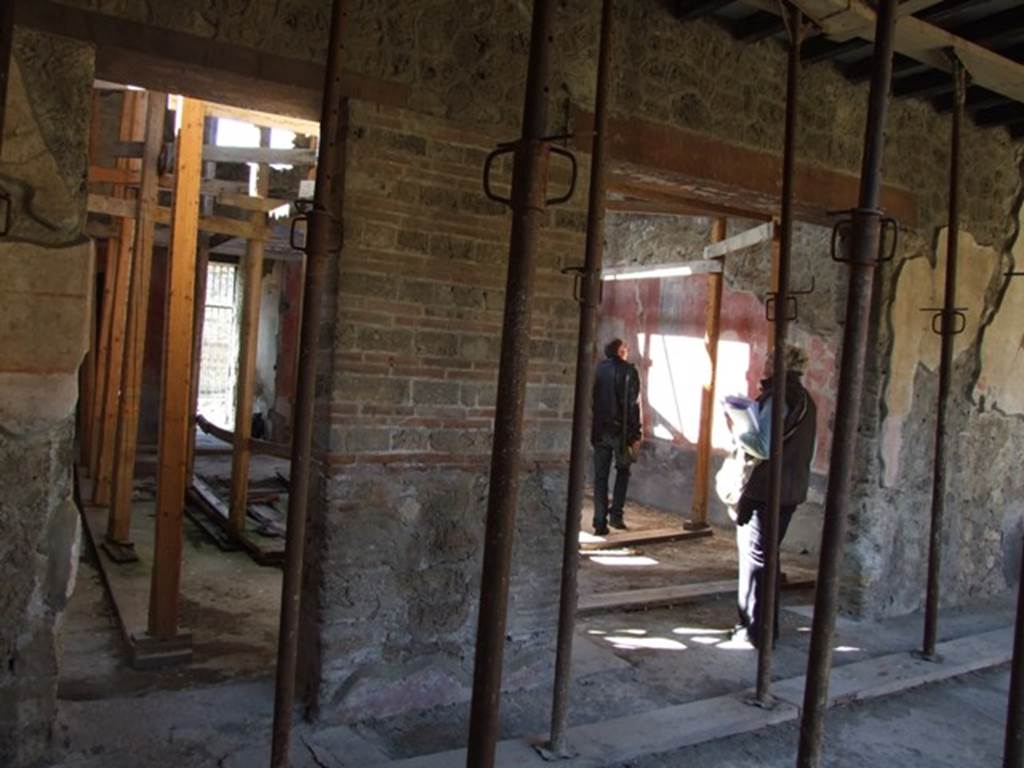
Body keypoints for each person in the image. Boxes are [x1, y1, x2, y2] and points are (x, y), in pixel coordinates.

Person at [727, 344, 817, 648]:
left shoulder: (779, 397)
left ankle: (755, 630)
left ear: (780, 364)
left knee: (756, 559)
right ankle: (765, 628)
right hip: (790, 488)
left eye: (769, 358)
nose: (765, 361)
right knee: (767, 556)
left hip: (766, 489)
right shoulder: (804, 399)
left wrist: (737, 427)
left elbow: (763, 446)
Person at [591, 338, 641, 535]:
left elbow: (593, 399)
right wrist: (635, 433)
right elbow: (632, 405)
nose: (627, 351)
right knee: (623, 472)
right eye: (625, 348)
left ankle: (599, 522)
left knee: (600, 477)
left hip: (600, 430)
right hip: (621, 431)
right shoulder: (629, 371)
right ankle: (616, 516)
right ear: (620, 352)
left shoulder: (598, 369)